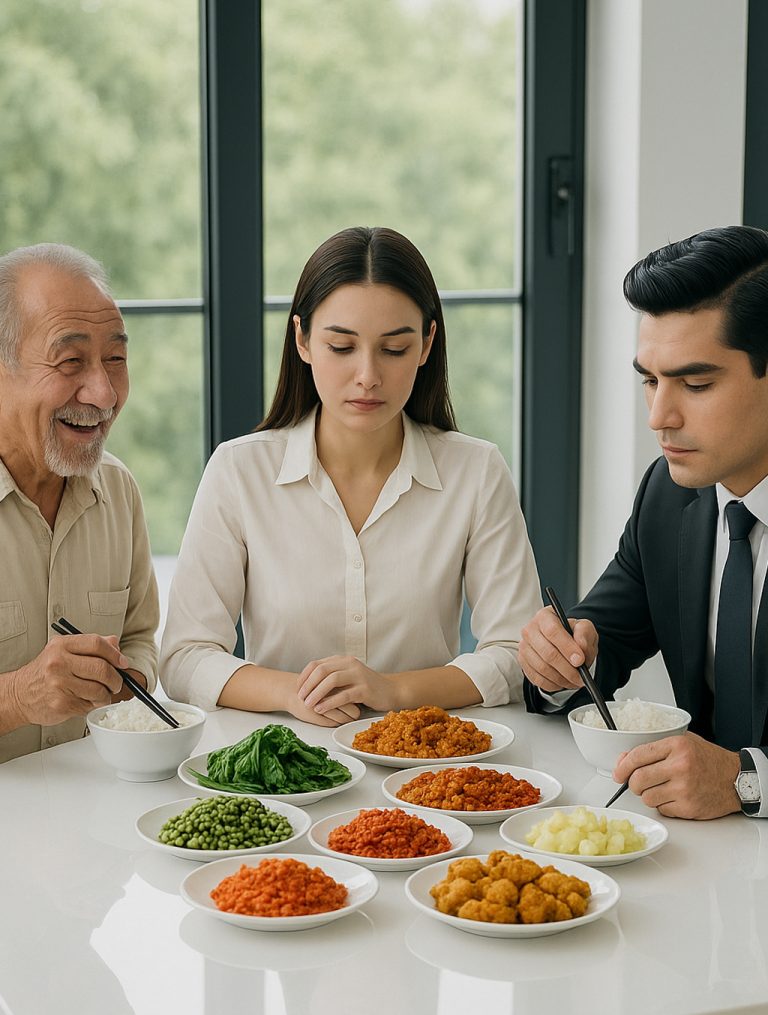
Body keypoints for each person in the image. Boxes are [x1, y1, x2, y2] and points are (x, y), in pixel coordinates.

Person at [161, 225, 541, 726]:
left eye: (394, 349)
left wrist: (394, 690)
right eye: (341, 347)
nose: (367, 375)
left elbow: (517, 654)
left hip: (424, 769)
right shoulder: (239, 471)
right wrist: (294, 693)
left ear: (427, 344)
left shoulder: (476, 471)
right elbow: (184, 658)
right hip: (283, 773)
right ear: (302, 340)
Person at [520, 224, 768, 820]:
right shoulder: (670, 495)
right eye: (650, 381)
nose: (659, 416)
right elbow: (603, 636)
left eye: (697, 383)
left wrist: (747, 782)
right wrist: (559, 658)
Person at [0, 243, 159, 763]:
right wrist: (20, 697)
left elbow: (139, 638)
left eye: (115, 359)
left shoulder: (118, 490)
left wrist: (129, 678)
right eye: (71, 362)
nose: (104, 393)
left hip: (90, 811)